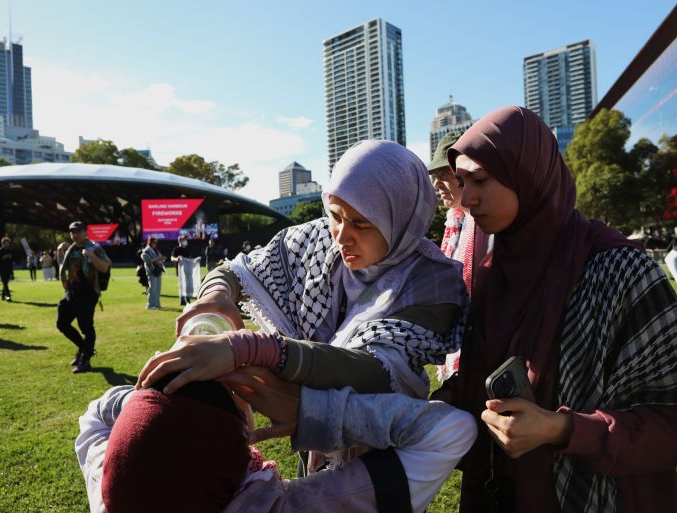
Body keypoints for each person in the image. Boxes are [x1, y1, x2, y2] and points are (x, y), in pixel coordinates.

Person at [137, 140, 470, 482]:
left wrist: (253, 350)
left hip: (385, 457)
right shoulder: (317, 240)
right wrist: (217, 294)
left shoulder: (432, 281)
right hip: (312, 443)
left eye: (361, 223)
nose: (342, 236)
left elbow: (375, 369)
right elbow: (236, 271)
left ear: (400, 218)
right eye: (335, 216)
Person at [435, 106, 677, 513]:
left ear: (526, 174)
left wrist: (563, 428)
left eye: (480, 180)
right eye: (461, 182)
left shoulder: (620, 271)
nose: (467, 198)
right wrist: (443, 402)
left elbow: (667, 421)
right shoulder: (492, 273)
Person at [77, 370, 476, 513]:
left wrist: (154, 404)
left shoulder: (109, 491)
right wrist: (310, 409)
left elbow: (95, 416)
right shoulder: (298, 508)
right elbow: (449, 431)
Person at [428, 131, 492, 382]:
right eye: (435, 176)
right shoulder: (455, 222)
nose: (436, 184)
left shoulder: (488, 225)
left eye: (444, 174)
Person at [57, 221, 112, 374]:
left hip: (87, 293)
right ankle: (84, 348)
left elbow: (105, 267)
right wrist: (60, 252)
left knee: (86, 327)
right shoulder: (71, 248)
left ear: (85, 232)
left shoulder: (94, 248)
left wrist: (92, 256)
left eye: (78, 231)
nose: (74, 235)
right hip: (71, 293)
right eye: (72, 232)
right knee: (62, 323)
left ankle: (85, 360)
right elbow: (63, 269)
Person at [171, 234, 199, 306]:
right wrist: (177, 259)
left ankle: (187, 298)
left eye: (185, 240)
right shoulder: (176, 249)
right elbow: (172, 258)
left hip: (188, 270)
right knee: (182, 285)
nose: (185, 241)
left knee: (187, 285)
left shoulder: (186, 250)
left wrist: (195, 260)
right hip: (180, 271)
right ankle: (183, 299)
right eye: (184, 240)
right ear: (180, 241)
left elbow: (189, 260)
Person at [140, 237, 165, 310]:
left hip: (158, 269)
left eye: (156, 243)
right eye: (154, 242)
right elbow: (148, 261)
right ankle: (150, 305)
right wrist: (158, 259)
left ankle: (157, 304)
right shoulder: (146, 251)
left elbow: (159, 258)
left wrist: (162, 258)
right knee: (152, 289)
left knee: (158, 288)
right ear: (150, 242)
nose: (155, 244)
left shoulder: (156, 250)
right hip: (152, 271)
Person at [0, 237, 15, 301]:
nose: (7, 244)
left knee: (6, 282)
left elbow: (13, 259)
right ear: (2, 243)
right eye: (5, 243)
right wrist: (3, 258)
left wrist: (10, 257)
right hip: (1, 269)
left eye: (8, 243)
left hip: (8, 268)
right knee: (5, 283)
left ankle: (2, 295)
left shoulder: (10, 250)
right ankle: (8, 296)